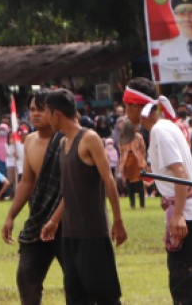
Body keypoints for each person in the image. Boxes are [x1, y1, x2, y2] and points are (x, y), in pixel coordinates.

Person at [125, 78, 192, 305]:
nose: (125, 111)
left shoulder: (159, 131)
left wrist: (177, 214)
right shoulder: (165, 127)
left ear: (136, 106)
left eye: (126, 106)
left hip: (190, 215)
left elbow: (180, 174)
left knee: (186, 290)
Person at [40, 88, 127, 305]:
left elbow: (109, 180)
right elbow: (69, 191)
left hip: (93, 233)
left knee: (105, 295)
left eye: (47, 112)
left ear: (56, 114)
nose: (46, 117)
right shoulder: (62, 144)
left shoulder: (89, 139)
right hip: (70, 234)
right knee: (75, 296)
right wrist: (54, 221)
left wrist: (117, 220)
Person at [1, 91, 64, 305]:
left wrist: (56, 219)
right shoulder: (29, 141)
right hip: (39, 218)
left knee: (75, 279)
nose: (35, 114)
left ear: (53, 111)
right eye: (32, 109)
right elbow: (27, 182)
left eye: (41, 109)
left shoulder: (66, 139)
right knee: (26, 276)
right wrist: (11, 215)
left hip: (67, 220)